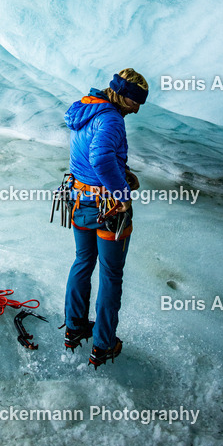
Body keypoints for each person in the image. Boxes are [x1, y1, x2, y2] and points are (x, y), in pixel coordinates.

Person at [62, 68, 148, 368]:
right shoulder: (111, 118)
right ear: (124, 96)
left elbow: (91, 157)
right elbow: (100, 157)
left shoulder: (85, 109)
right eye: (136, 102)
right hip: (108, 207)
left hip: (80, 199)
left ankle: (74, 328)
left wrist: (121, 175)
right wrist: (122, 195)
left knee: (82, 261)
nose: (137, 109)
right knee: (111, 275)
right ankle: (103, 344)